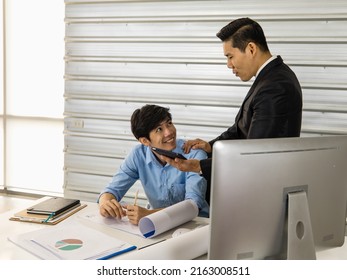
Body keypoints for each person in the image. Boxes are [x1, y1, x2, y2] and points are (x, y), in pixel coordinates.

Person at [161, 17, 303, 197]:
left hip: (265, 192)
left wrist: (199, 166)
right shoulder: (269, 79)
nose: (229, 65)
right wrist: (211, 146)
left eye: (230, 56)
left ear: (251, 49)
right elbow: (241, 129)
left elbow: (255, 154)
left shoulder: (275, 86)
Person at [98, 104, 209, 225]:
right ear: (145, 141)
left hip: (195, 224)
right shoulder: (138, 155)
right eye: (159, 129)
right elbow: (112, 190)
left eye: (169, 123)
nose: (169, 132)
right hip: (155, 226)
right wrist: (106, 202)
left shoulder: (194, 154)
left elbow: (192, 206)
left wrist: (150, 214)